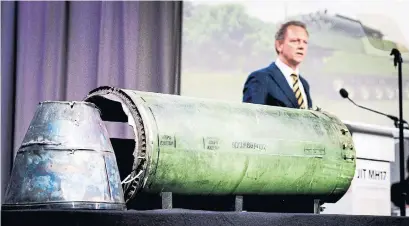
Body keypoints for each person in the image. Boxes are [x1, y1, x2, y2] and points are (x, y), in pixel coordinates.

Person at [242, 20, 313, 109]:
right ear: (279, 45)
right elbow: (252, 118)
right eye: (295, 41)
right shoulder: (260, 79)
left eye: (305, 42)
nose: (301, 46)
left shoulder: (304, 84)